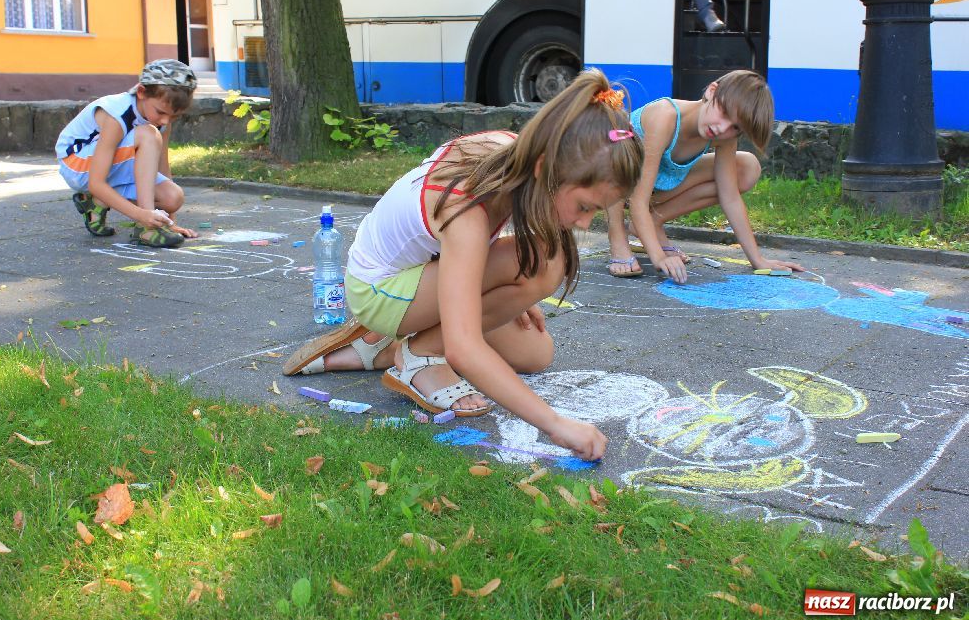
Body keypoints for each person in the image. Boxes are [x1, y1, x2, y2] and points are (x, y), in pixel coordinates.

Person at [282, 69, 643, 461]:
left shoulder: (512, 153)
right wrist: (556, 424)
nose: (586, 223)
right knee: (545, 260)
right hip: (379, 290)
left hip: (422, 274)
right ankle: (417, 354)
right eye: (586, 206)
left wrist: (517, 296)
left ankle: (384, 348)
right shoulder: (467, 208)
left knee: (536, 354)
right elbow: (465, 348)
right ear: (545, 170)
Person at [605, 69, 804, 282]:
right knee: (615, 147)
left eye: (735, 128)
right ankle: (617, 235)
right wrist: (659, 257)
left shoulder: (722, 134)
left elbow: (730, 197)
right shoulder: (665, 117)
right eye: (725, 113)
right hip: (621, 185)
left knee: (747, 168)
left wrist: (758, 260)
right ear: (712, 91)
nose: (722, 128)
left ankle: (651, 222)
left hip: (658, 187)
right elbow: (638, 200)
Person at [55, 59, 199, 247]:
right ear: (141, 92)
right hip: (77, 165)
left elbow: (162, 167)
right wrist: (142, 215)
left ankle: (95, 202)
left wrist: (170, 223)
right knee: (148, 134)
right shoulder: (118, 114)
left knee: (173, 197)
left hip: (111, 166)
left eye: (174, 116)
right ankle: (145, 229)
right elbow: (96, 182)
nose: (165, 121)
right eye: (161, 112)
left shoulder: (161, 121)